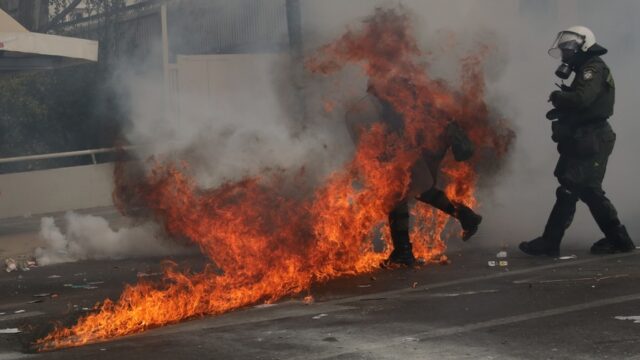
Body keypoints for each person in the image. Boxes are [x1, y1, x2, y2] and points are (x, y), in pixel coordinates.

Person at [520, 26, 635, 257]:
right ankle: (616, 240)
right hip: (584, 137)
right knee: (580, 190)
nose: (565, 54)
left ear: (582, 47)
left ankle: (553, 242)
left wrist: (558, 97)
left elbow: (582, 99)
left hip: (593, 137)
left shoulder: (593, 68)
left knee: (577, 189)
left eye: (568, 49)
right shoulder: (584, 68)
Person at [346, 81, 482, 267]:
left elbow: (402, 127)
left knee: (398, 196)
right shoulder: (400, 91)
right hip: (416, 151)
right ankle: (466, 216)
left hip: (410, 152)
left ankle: (403, 253)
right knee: (422, 190)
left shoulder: (393, 95)